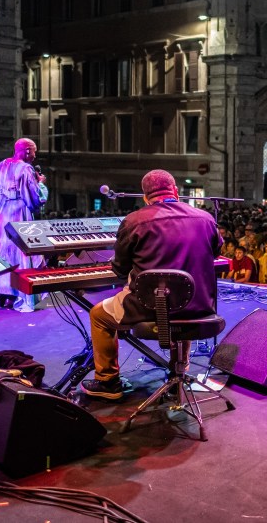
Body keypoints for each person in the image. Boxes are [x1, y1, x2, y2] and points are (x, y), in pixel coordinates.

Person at [82, 169, 222, 399]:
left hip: (149, 306)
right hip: (198, 304)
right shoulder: (205, 218)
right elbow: (216, 252)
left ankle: (108, 382)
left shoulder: (134, 221)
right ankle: (180, 371)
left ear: (145, 197)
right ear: (176, 191)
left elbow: (119, 269)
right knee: (180, 300)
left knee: (98, 315)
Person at [0, 138, 46, 312]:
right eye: (34, 151)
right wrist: (40, 185)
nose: (34, 155)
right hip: (18, 216)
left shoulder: (0, 166)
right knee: (19, 255)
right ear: (26, 151)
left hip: (0, 216)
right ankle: (21, 297)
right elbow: (34, 199)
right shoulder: (25, 169)